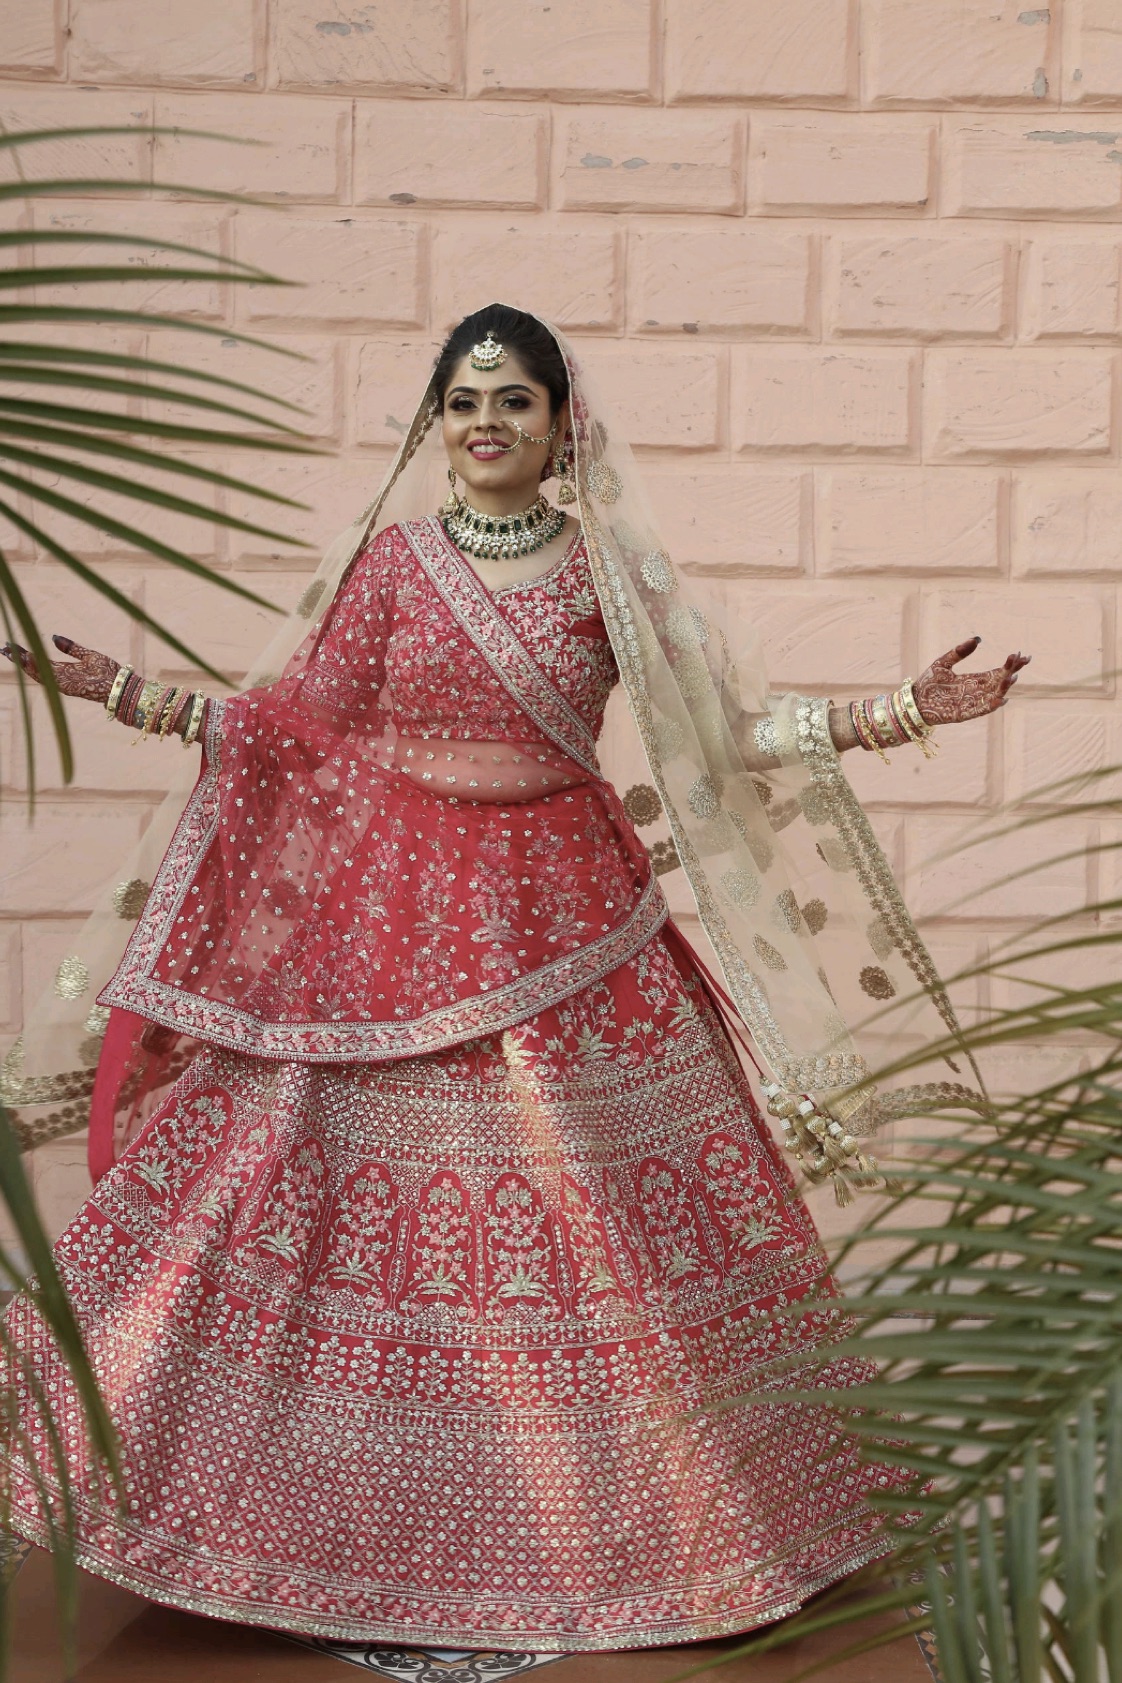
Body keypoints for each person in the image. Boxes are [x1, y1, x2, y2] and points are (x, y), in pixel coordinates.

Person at [0, 305, 1027, 1653]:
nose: (487, 423)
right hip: (387, 936)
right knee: (276, 1191)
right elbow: (299, 730)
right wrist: (130, 693)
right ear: (435, 424)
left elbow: (720, 735)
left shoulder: (610, 571)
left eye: (515, 401)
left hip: (574, 929)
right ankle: (277, 1529)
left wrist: (898, 712)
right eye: (464, 401)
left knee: (601, 1227)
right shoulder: (393, 566)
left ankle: (673, 1542)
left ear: (560, 425)